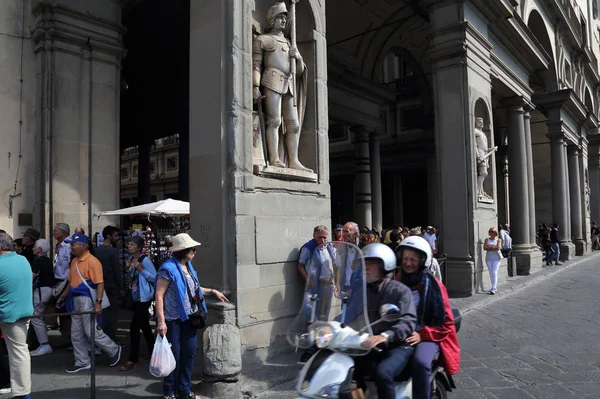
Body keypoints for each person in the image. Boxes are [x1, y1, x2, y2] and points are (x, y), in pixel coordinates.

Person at [155, 233, 228, 399]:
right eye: (192, 249)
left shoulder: (188, 268)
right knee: (174, 356)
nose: (195, 252)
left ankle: (185, 390)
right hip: (173, 319)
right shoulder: (168, 269)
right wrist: (161, 322)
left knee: (189, 354)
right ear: (183, 250)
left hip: (190, 317)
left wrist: (212, 291)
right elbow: (159, 295)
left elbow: (193, 289)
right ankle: (170, 392)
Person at [394, 236, 460, 399]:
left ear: (423, 261)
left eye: (413, 260)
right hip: (398, 330)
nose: (408, 263)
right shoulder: (395, 280)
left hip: (427, 334)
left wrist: (422, 334)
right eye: (405, 258)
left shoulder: (435, 286)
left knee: (421, 362)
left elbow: (446, 322)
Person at [252, 2, 311, 172]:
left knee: (293, 124)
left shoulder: (288, 42)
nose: (284, 21)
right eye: (280, 17)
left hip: (289, 83)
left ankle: (293, 160)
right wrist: (255, 86)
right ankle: (274, 158)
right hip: (272, 80)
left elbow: (299, 72)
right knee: (274, 120)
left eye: (285, 17)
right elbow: (256, 65)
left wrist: (298, 59)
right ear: (272, 19)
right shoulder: (263, 40)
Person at [353, 243, 416, 399]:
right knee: (347, 369)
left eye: (372, 264)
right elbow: (349, 315)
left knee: (383, 373)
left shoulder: (400, 291)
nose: (366, 267)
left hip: (398, 345)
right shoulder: (361, 291)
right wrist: (329, 330)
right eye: (364, 263)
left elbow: (407, 321)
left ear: (384, 266)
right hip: (369, 343)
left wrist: (386, 335)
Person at [56, 233, 122, 373]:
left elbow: (100, 283)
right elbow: (70, 282)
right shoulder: (74, 262)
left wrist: (98, 302)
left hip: (87, 300)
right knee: (76, 333)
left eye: (73, 244)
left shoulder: (93, 261)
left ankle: (113, 349)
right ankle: (82, 361)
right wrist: (62, 296)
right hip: (75, 299)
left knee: (91, 331)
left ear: (83, 246)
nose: (71, 247)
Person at [0, 232, 33, 399]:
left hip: (9, 315)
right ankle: (21, 392)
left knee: (19, 353)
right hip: (22, 311)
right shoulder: (22, 259)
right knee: (19, 352)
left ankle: (22, 393)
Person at [120, 236, 156, 371]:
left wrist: (141, 269)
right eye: (129, 244)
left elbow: (155, 277)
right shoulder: (130, 259)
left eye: (132, 244)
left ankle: (132, 359)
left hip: (143, 298)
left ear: (139, 247)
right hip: (135, 297)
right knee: (144, 326)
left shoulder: (145, 260)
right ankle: (152, 351)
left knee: (134, 328)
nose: (129, 246)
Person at [95, 225, 125, 342]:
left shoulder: (96, 251)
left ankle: (101, 338)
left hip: (100, 286)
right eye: (115, 235)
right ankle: (111, 339)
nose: (117, 238)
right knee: (112, 315)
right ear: (108, 236)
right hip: (112, 286)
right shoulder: (113, 251)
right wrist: (121, 287)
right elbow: (116, 271)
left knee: (102, 314)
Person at [29, 239, 58, 357]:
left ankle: (44, 344)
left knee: (36, 317)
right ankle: (43, 344)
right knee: (38, 317)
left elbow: (32, 276)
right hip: (47, 290)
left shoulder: (37, 261)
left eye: (35, 246)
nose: (33, 248)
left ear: (39, 249)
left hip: (41, 291)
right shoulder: (47, 260)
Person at [483, 227, 502, 295]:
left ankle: (493, 287)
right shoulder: (486, 239)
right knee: (491, 272)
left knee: (494, 272)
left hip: (496, 258)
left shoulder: (498, 240)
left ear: (495, 232)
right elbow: (485, 248)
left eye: (492, 231)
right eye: (489, 231)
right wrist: (493, 247)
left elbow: (498, 247)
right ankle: (493, 286)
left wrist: (490, 247)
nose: (490, 232)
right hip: (489, 258)